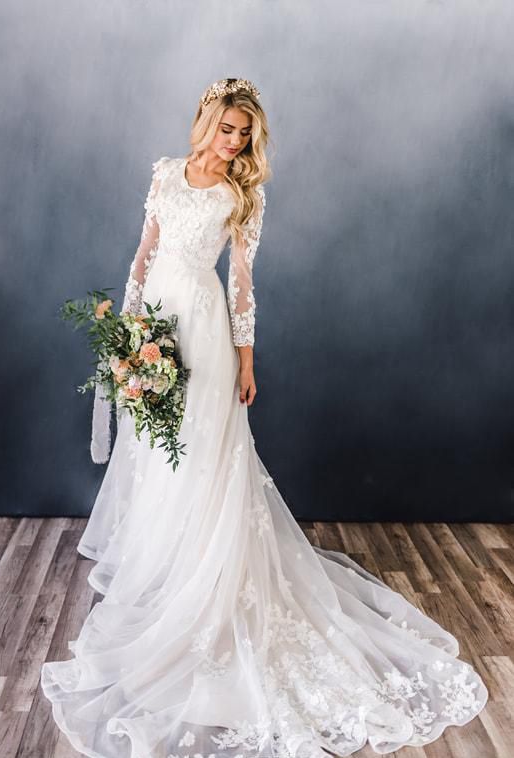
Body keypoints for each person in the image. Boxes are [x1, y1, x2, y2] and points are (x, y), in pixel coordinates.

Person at [41, 78, 488, 758]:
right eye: (226, 129)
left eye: (243, 135)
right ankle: (163, 569)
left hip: (204, 330)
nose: (233, 143)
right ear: (204, 122)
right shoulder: (164, 173)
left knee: (204, 453)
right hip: (156, 322)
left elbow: (240, 284)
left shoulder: (240, 195)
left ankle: (208, 580)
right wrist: (128, 330)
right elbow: (143, 254)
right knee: (158, 451)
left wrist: (246, 361)